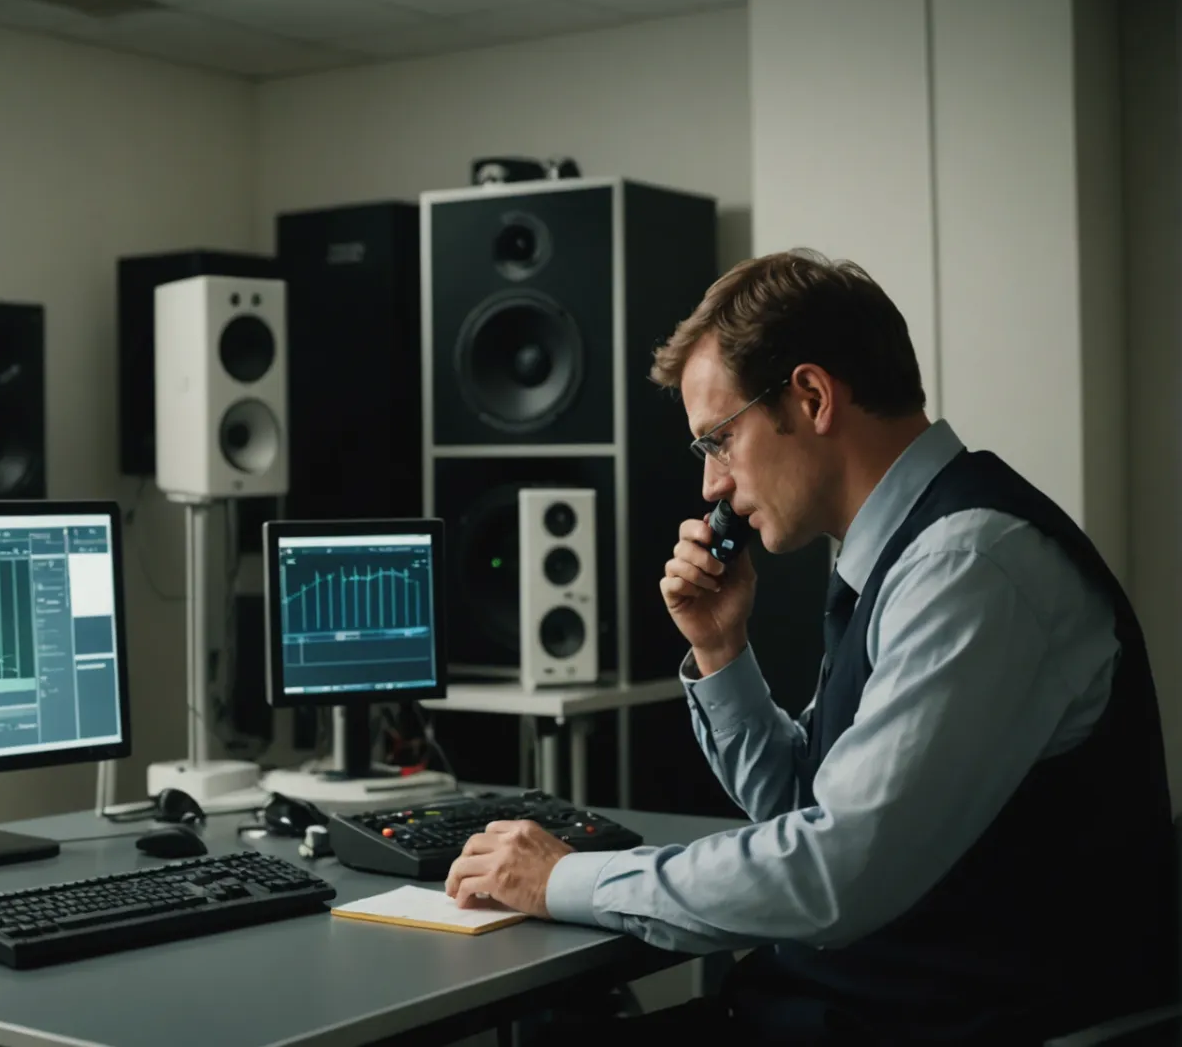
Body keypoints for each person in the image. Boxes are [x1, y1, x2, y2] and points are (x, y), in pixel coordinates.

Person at [443, 249, 1178, 1043]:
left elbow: (835, 872)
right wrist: (724, 653)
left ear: (813, 396)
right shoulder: (904, 553)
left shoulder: (971, 565)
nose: (711, 487)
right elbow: (813, 811)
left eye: (718, 440)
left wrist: (565, 879)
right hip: (870, 1009)